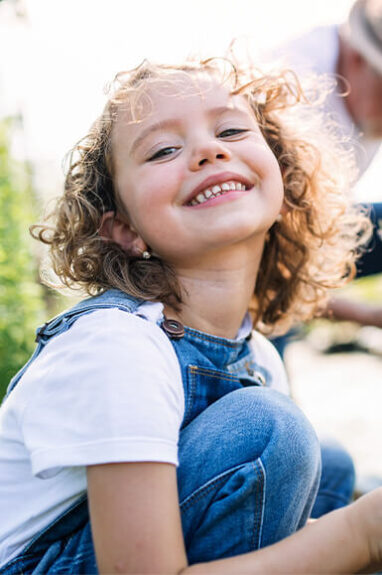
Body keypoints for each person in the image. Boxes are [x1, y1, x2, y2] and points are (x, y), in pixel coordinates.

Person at [0, 56, 381, 574]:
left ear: (284, 179)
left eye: (230, 129)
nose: (208, 150)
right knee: (270, 433)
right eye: (163, 150)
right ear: (125, 230)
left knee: (327, 465)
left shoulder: (257, 355)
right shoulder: (118, 345)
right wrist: (361, 534)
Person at [268, 0, 382, 352]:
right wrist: (368, 315)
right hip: (262, 267)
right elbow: (277, 273)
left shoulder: (365, 92)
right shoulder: (295, 107)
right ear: (360, 59)